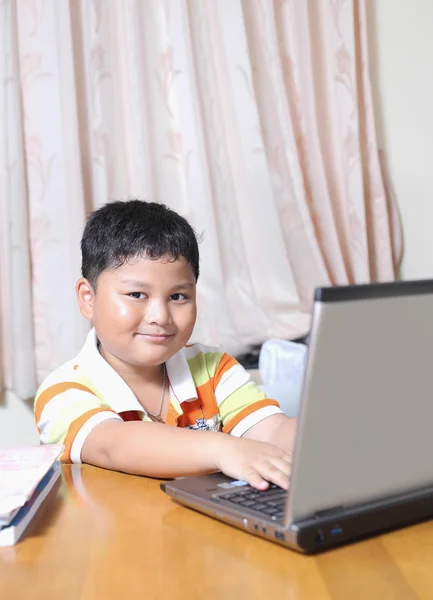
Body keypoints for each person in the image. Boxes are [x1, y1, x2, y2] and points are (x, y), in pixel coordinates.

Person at [34, 200, 296, 490]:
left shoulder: (213, 368)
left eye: (177, 297)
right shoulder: (64, 390)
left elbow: (273, 431)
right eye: (136, 294)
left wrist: (332, 430)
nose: (160, 317)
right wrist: (225, 448)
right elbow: (115, 444)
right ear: (88, 297)